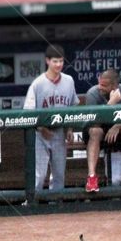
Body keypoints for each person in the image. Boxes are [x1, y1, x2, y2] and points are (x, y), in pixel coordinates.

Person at [24, 44, 77, 194]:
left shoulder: (69, 81)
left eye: (61, 61)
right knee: (39, 175)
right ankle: (32, 203)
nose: (58, 64)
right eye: (55, 61)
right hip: (41, 134)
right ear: (47, 61)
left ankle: (57, 204)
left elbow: (73, 107)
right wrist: (41, 128)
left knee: (59, 174)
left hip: (59, 132)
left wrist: (70, 128)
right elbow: (28, 113)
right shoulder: (38, 84)